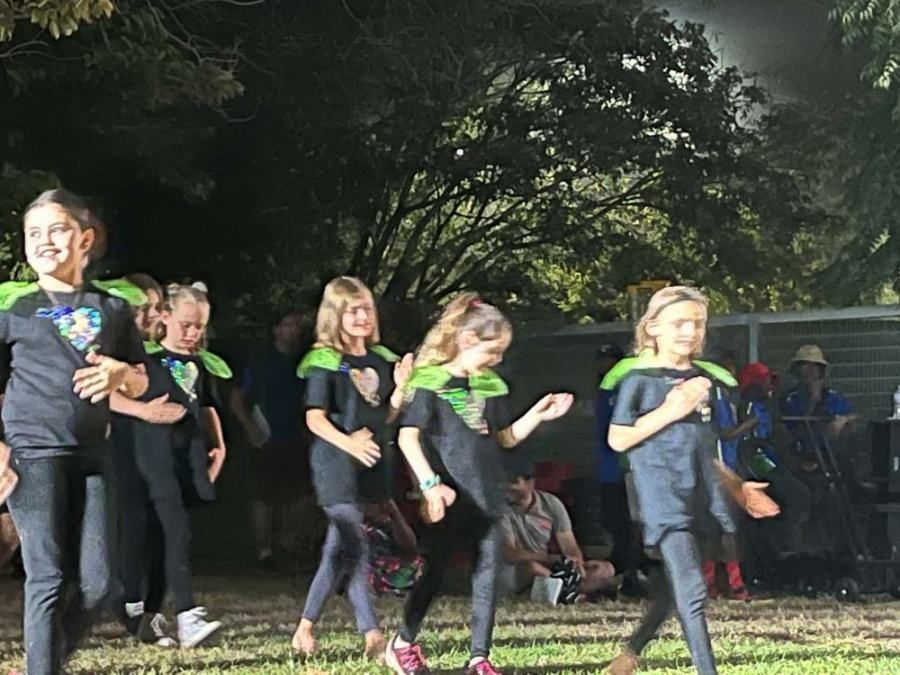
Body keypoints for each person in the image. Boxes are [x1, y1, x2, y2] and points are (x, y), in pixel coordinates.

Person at [1, 189, 149, 675]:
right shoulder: (14, 307)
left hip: (92, 454)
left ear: (85, 238)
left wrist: (118, 375)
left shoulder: (112, 308)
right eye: (33, 234)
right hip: (32, 450)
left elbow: (141, 376)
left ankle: (46, 662)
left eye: (57, 229)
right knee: (47, 576)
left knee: (99, 584)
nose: (44, 241)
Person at [385, 292, 573, 675]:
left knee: (488, 571)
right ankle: (403, 642)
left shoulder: (490, 386)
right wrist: (429, 484)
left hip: (488, 496)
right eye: (494, 350)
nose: (498, 360)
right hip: (452, 498)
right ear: (468, 341)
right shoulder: (432, 382)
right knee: (435, 572)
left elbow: (504, 438)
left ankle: (479, 658)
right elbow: (408, 437)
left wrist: (538, 414)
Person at [604, 286, 778, 675]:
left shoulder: (702, 379)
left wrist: (737, 488)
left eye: (697, 323)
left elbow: (704, 447)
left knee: (672, 590)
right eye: (679, 322)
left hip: (700, 495)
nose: (689, 331)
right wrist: (671, 408)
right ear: (653, 329)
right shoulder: (639, 380)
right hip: (661, 498)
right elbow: (618, 438)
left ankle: (629, 654)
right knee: (694, 591)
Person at [292, 276, 413, 660]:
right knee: (354, 546)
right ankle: (372, 633)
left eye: (366, 309)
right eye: (352, 311)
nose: (362, 317)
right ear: (336, 315)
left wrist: (400, 388)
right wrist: (349, 443)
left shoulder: (382, 358)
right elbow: (315, 418)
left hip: (373, 463)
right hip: (336, 463)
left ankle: (305, 627)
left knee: (339, 548)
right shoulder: (324, 359)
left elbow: (388, 414)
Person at [116, 283, 231, 649]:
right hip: (153, 459)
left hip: (187, 459)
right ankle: (186, 614)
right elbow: (111, 392)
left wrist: (219, 447)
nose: (193, 334)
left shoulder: (200, 364)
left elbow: (207, 406)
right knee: (171, 531)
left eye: (199, 327)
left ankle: (151, 615)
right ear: (164, 318)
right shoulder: (144, 359)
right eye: (186, 325)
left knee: (166, 539)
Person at [109, 273, 186, 648]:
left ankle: (151, 615)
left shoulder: (152, 355)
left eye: (157, 307)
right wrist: (141, 411)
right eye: (148, 308)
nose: (155, 315)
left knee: (162, 534)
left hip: (154, 457)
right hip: (116, 453)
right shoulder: (107, 346)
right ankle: (129, 610)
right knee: (129, 533)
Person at [230, 311, 312, 567]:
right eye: (288, 325)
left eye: (297, 325)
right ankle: (263, 551)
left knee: (298, 494)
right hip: (265, 435)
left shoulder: (304, 363)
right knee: (263, 495)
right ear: (275, 329)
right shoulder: (260, 362)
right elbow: (237, 399)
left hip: (295, 435)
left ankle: (287, 543)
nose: (293, 330)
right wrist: (250, 428)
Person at [499, 457, 616, 599]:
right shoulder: (498, 509)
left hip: (547, 567)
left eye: (513, 482)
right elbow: (510, 554)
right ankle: (576, 592)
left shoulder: (551, 504)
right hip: (512, 569)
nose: (506, 487)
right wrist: (553, 559)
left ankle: (567, 590)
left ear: (530, 483)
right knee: (531, 567)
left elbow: (569, 546)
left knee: (606, 568)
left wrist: (576, 563)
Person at [595, 343, 646, 597]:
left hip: (629, 470)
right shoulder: (605, 391)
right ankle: (624, 574)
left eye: (609, 360)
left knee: (632, 525)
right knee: (618, 524)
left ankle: (632, 574)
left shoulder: (628, 390)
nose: (604, 366)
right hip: (612, 471)